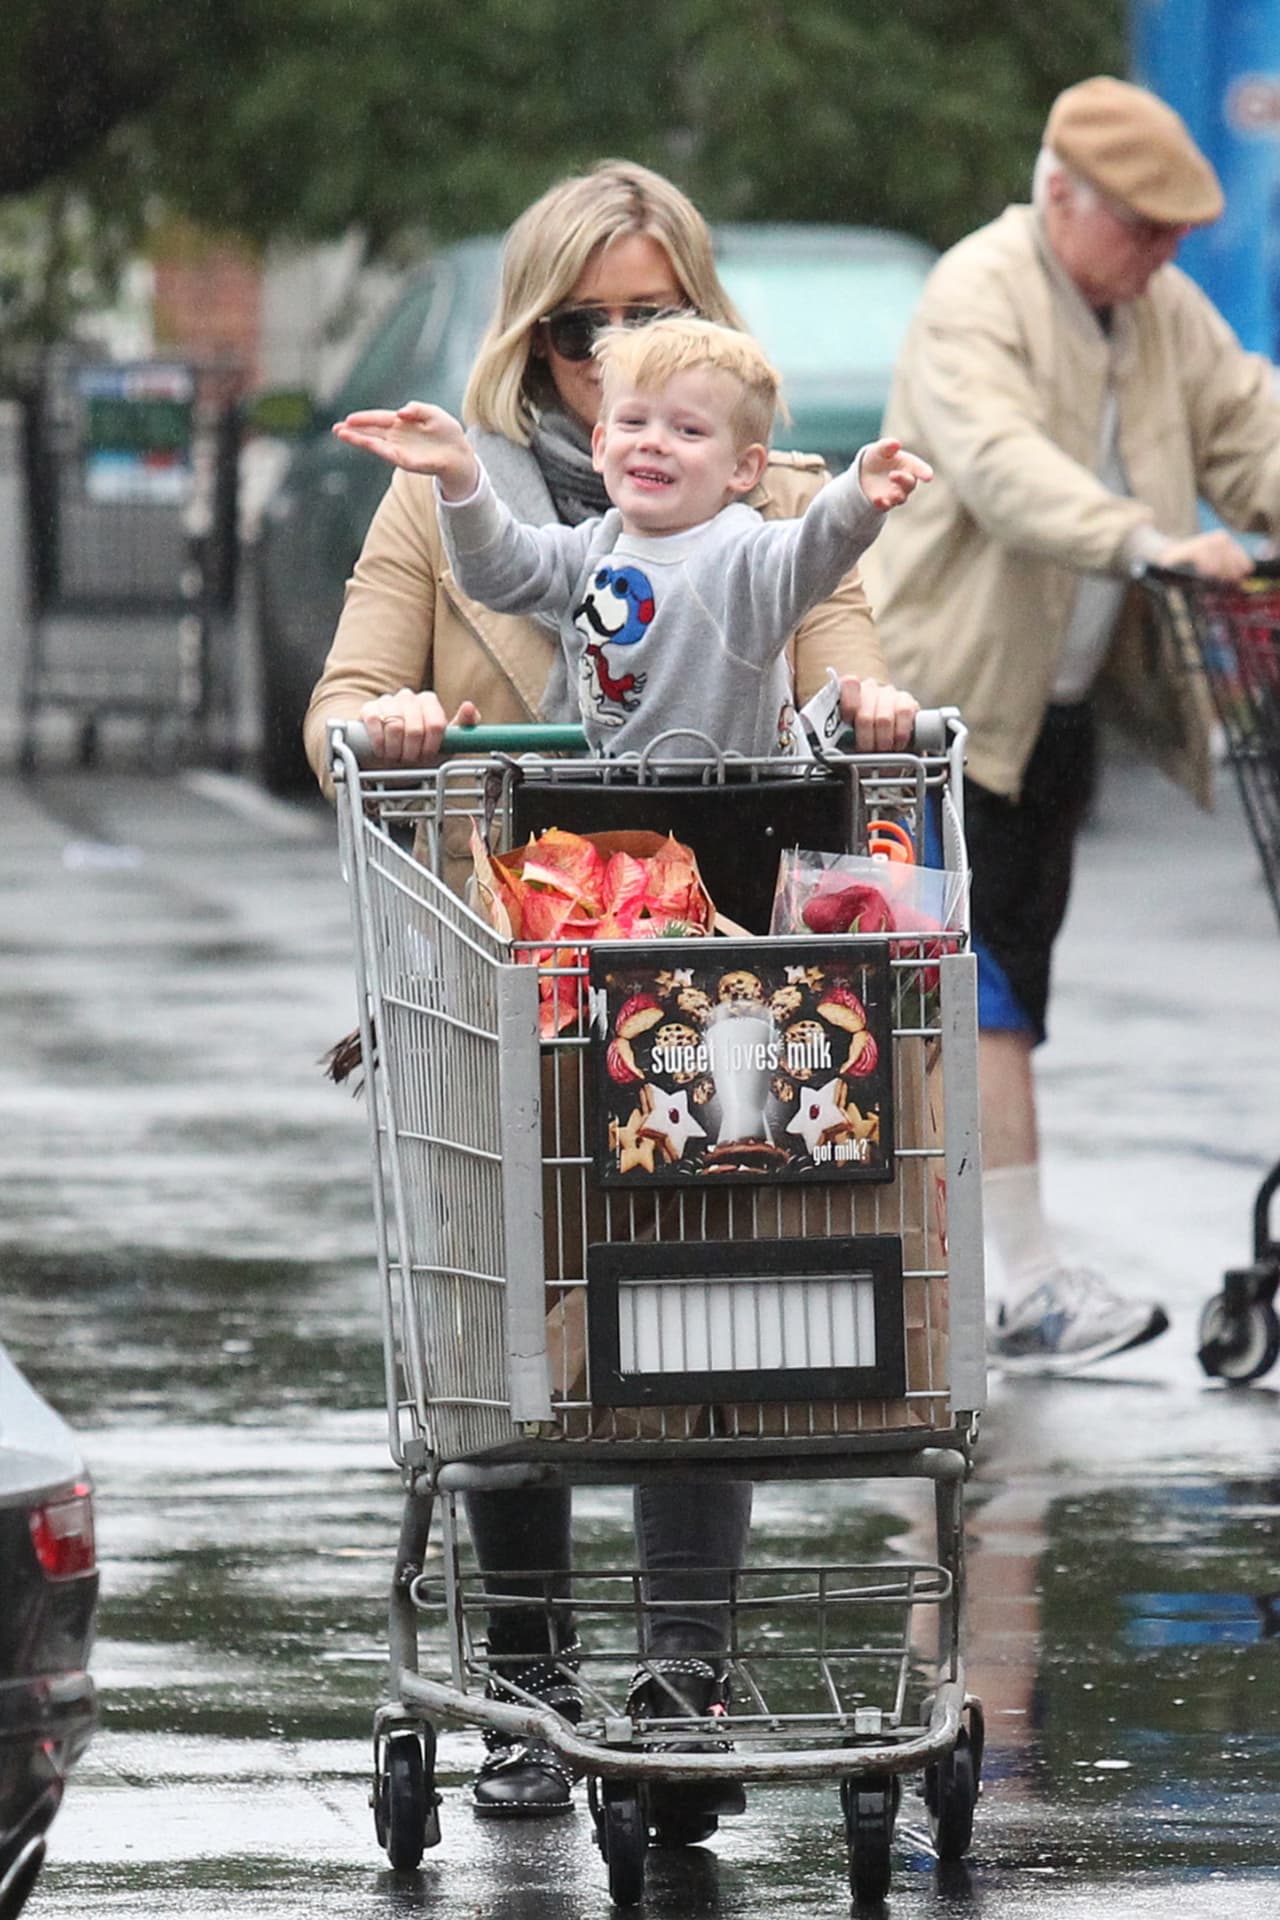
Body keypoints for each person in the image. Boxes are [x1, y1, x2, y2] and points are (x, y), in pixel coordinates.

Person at [303, 158, 919, 1824]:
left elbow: (841, 640)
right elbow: (345, 697)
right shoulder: (455, 502)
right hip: (506, 963)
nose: (619, 355)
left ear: (704, 319)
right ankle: (523, 1678)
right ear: (538, 331)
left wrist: (866, 704)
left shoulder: (768, 485)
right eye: (588, 323)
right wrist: (396, 725)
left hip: (705, 963)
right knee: (512, 1310)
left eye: (654, 313)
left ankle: (682, 1674)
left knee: (698, 1291)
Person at [860, 75, 1280, 1374]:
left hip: (1050, 711)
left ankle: (964, 1266)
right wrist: (1150, 541)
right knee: (969, 987)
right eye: (1141, 227)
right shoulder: (978, 293)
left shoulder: (1154, 309)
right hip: (932, 705)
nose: (1163, 255)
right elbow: (1001, 468)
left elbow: (1250, 424)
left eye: (1172, 234)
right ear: (1059, 196)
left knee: (1008, 988)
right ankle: (1022, 1280)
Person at [331, 314, 930, 758]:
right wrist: (461, 476)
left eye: (688, 430)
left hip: (736, 813)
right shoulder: (592, 547)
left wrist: (856, 493)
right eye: (634, 422)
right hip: (610, 818)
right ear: (600, 446)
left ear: (743, 469)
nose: (653, 442)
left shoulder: (747, 555)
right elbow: (500, 569)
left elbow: (812, 550)